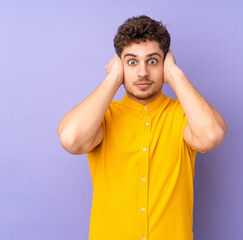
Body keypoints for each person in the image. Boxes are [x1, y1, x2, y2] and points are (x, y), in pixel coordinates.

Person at [57, 15, 227, 240]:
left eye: (153, 61)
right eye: (132, 62)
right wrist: (113, 78)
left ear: (165, 63)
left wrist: (176, 75)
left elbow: (211, 136)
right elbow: (71, 139)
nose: (143, 72)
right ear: (121, 65)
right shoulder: (102, 118)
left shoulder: (183, 115)